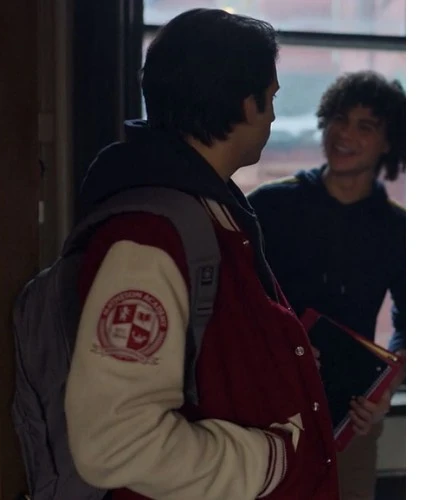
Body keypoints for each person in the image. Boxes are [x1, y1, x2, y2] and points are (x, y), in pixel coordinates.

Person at [65, 8, 340, 500]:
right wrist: (272, 461)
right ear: (246, 103)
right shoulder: (148, 236)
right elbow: (114, 443)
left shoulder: (211, 211)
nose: (273, 116)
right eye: (271, 98)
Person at [248, 70, 406, 500]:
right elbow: (232, 298)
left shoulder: (398, 229)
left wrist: (384, 389)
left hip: (350, 417)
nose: (344, 134)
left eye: (364, 126)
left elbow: (410, 323)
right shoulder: (269, 206)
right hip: (266, 404)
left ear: (388, 142)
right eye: (339, 119)